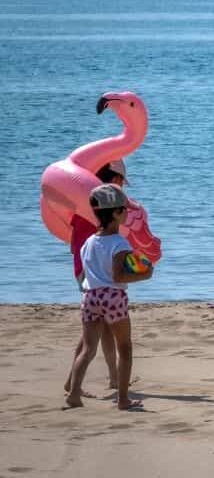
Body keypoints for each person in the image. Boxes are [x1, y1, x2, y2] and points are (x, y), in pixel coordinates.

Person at [66, 184, 152, 410]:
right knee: (125, 348)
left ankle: (74, 394)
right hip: (113, 297)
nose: (127, 212)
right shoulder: (119, 243)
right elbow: (117, 275)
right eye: (124, 209)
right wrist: (145, 274)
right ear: (115, 213)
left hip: (90, 296)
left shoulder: (89, 243)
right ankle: (123, 400)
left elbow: (85, 273)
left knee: (88, 348)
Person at [64, 159, 129, 396]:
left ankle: (78, 386)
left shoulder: (86, 206)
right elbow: (120, 272)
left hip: (88, 280)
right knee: (116, 340)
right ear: (114, 180)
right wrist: (145, 272)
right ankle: (115, 387)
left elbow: (73, 245)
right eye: (122, 180)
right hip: (104, 284)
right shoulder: (116, 236)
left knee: (91, 340)